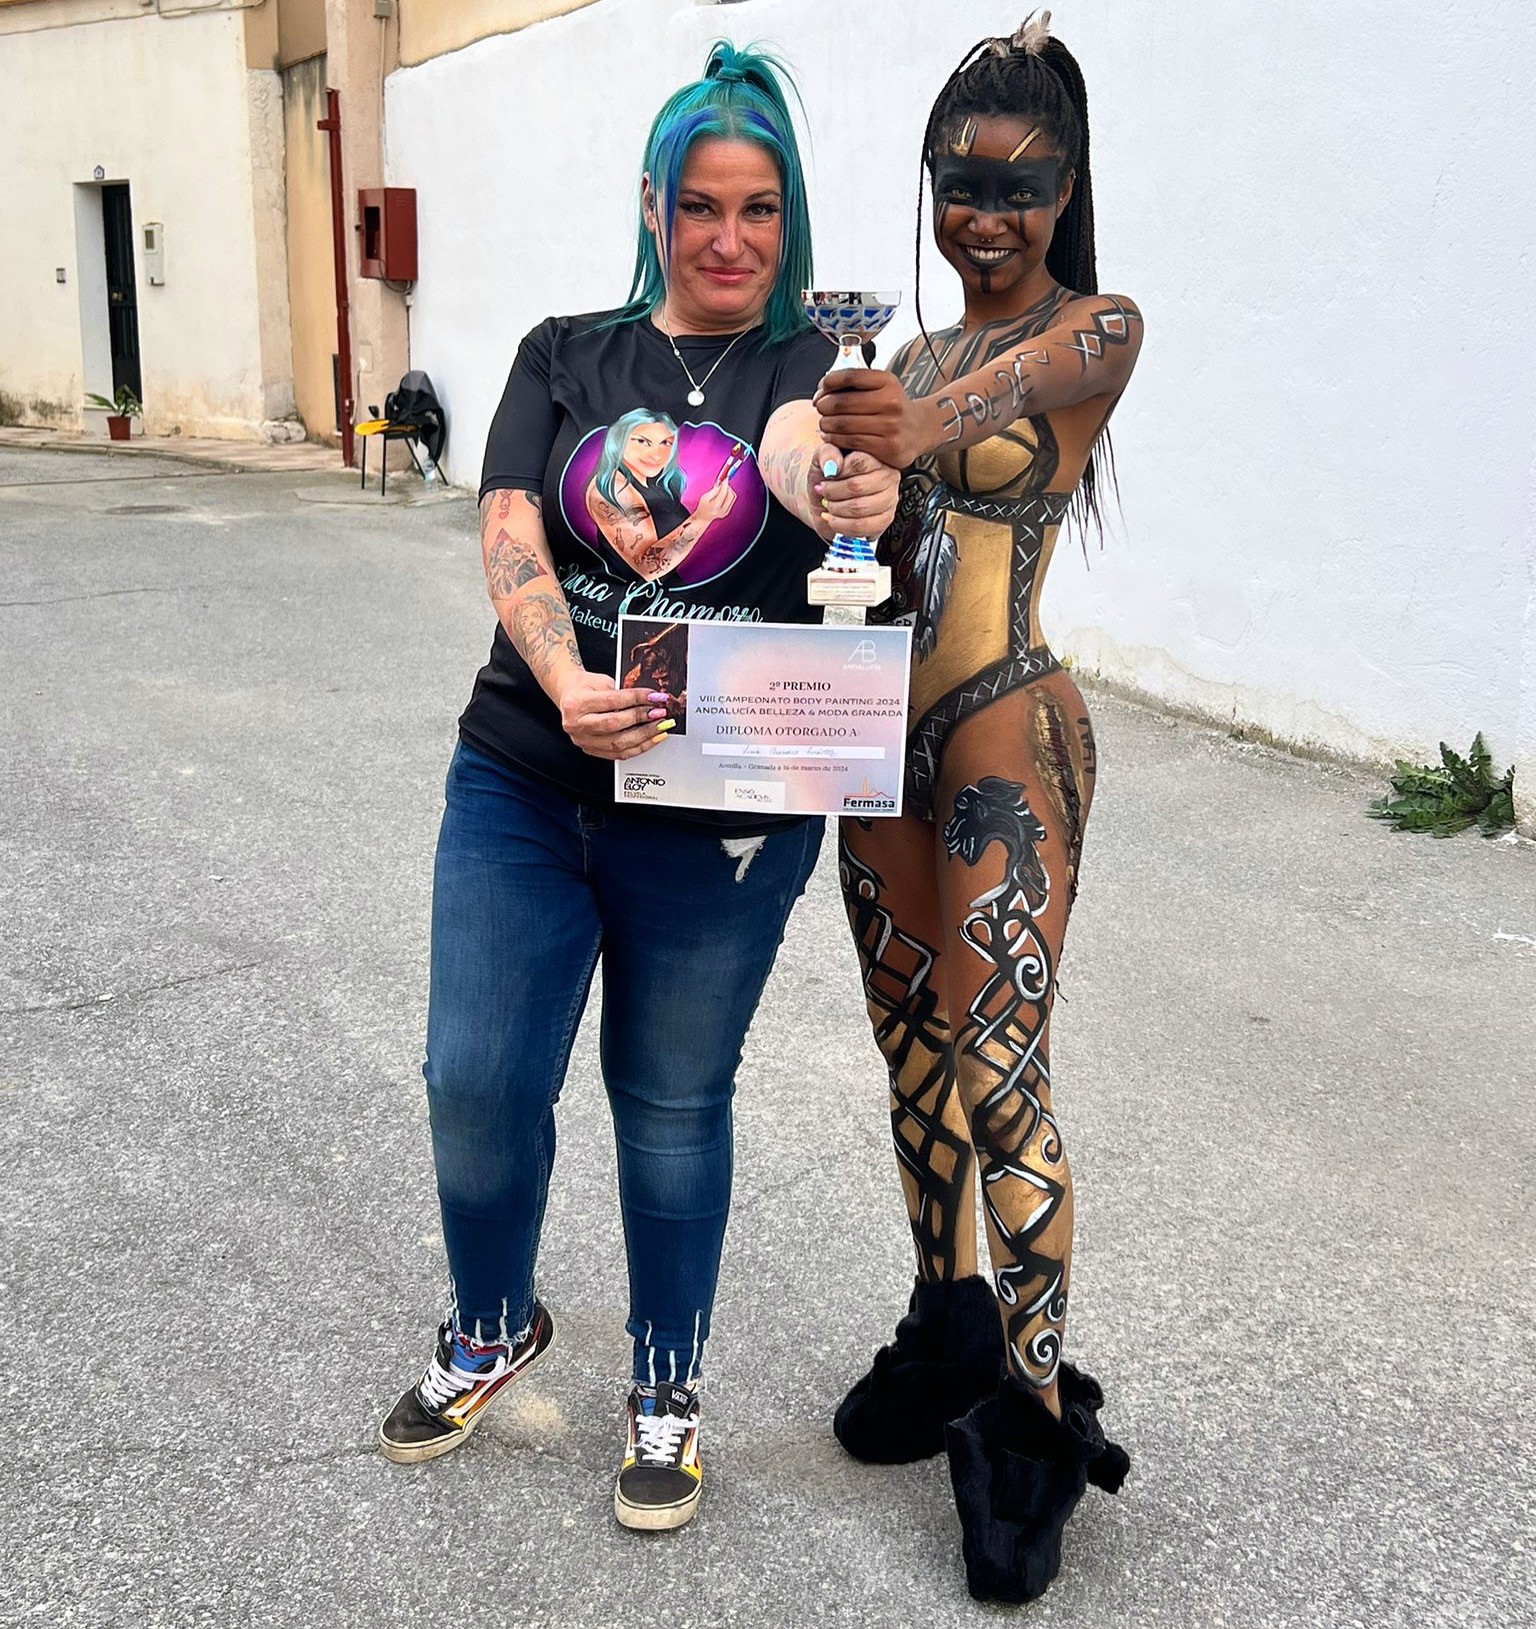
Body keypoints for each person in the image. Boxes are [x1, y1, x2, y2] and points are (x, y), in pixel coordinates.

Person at [377, 41, 898, 1535]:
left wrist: (851, 487)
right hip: (527, 774)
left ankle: (667, 1383)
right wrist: (564, 679)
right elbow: (508, 524)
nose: (730, 239)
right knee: (476, 1080)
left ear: (790, 220)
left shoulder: (816, 374)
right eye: (701, 206)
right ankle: (493, 1323)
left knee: (670, 1102)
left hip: (722, 810)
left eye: (760, 208)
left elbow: (802, 459)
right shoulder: (565, 354)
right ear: (654, 207)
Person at [813, 13, 1143, 1603]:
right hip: (884, 738)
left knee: (1005, 1072)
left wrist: (907, 427)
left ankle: (1031, 1410)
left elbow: (1032, 382)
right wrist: (841, 488)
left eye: (1020, 184)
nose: (987, 213)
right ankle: (950, 1320)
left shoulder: (1096, 331)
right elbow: (873, 517)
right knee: (915, 1059)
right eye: (961, 181)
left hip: (1009, 726)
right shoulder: (902, 360)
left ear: (1068, 188)